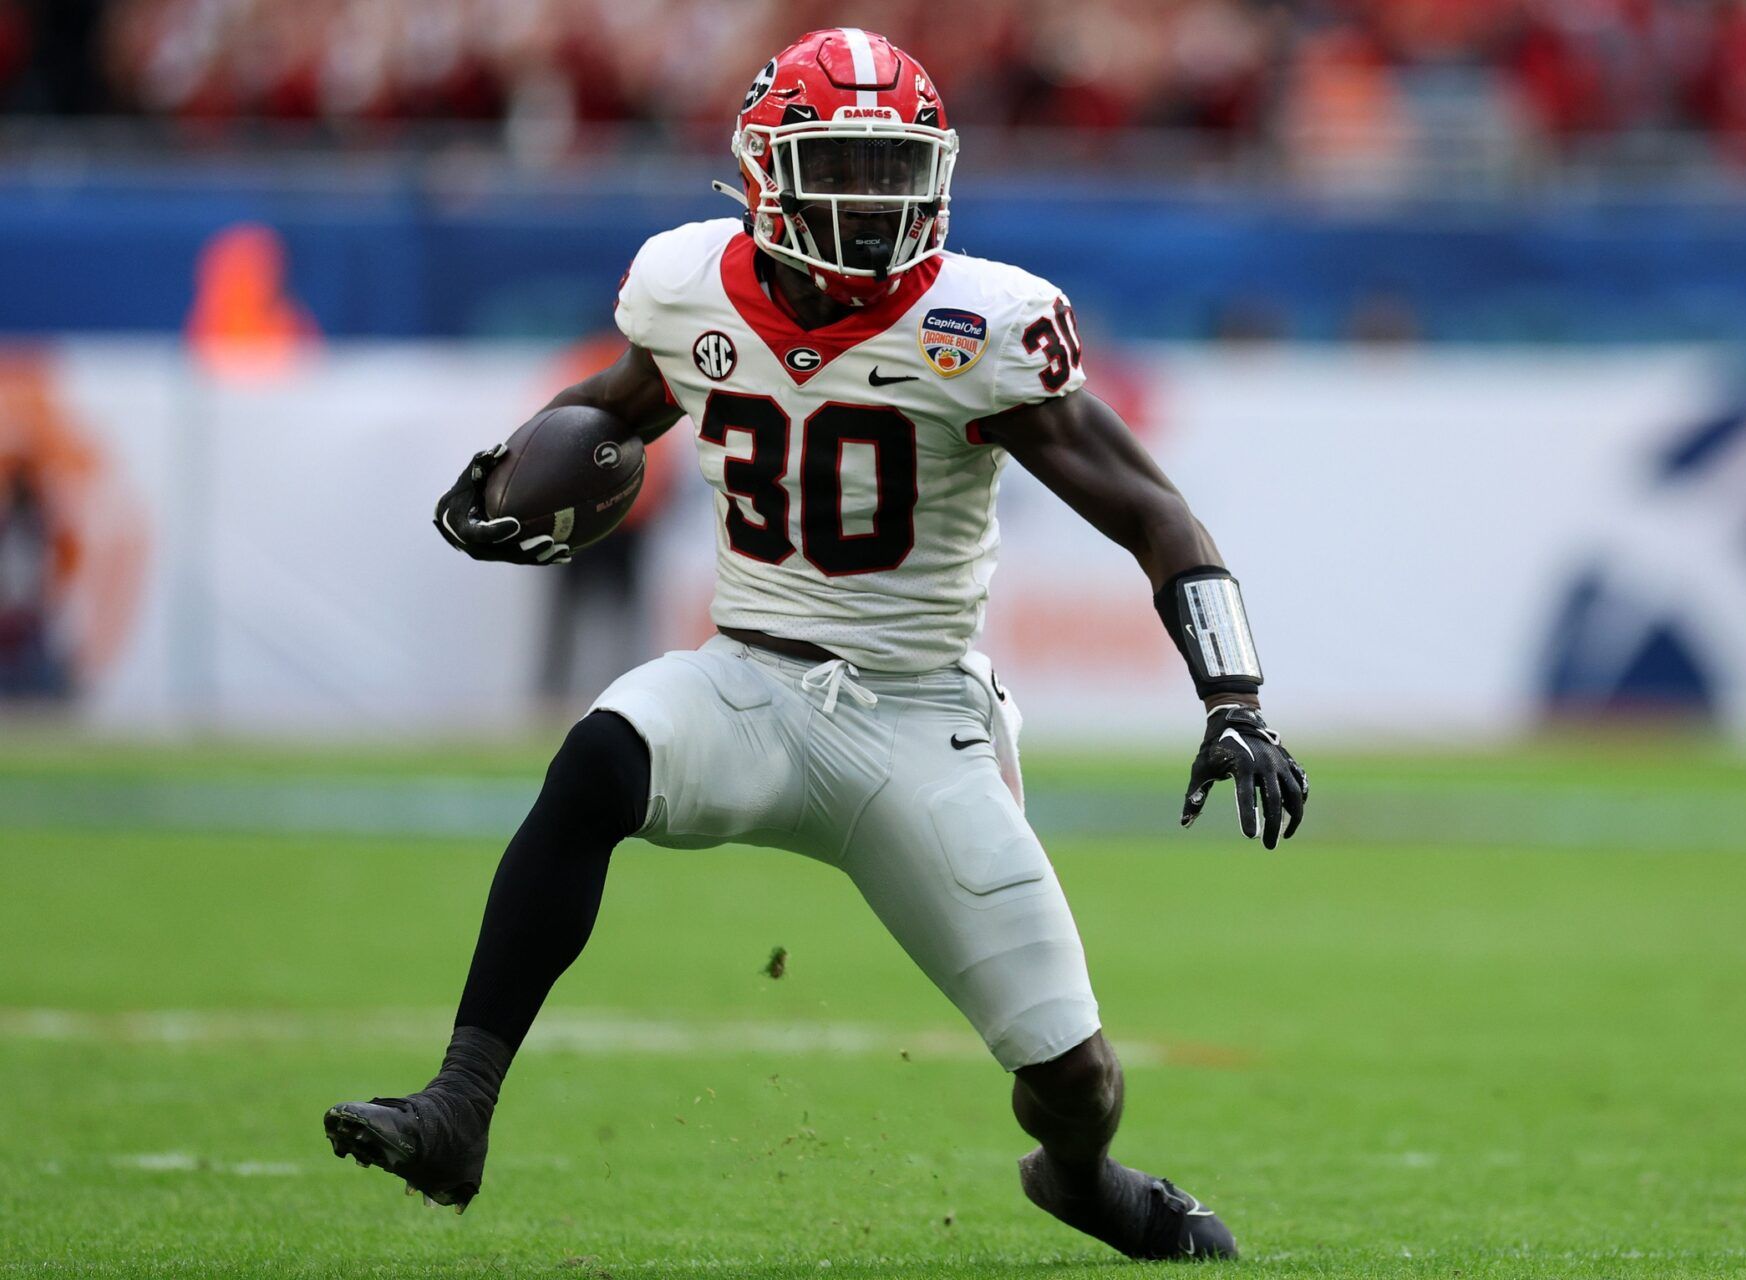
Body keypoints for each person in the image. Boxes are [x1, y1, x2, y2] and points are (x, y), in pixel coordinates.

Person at [324, 29, 1307, 1262]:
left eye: (897, 170)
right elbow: (616, 402)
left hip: (920, 719)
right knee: (593, 764)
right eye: (845, 163)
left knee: (1076, 1071)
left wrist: (1236, 694)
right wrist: (510, 467)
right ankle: (458, 1105)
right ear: (767, 175)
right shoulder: (689, 285)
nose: (875, 200)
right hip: (746, 678)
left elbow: (1155, 513)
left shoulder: (980, 321)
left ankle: (1082, 1178)